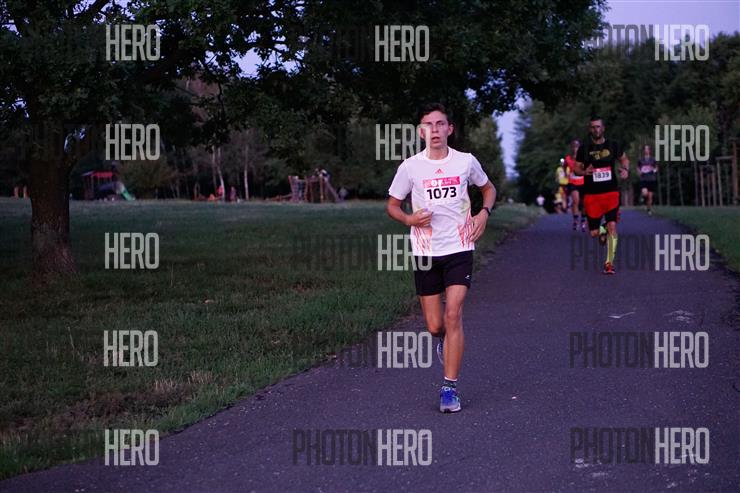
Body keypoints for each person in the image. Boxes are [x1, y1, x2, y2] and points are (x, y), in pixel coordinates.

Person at [386, 102, 496, 413]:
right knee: (435, 325)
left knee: (453, 314)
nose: (434, 130)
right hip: (426, 252)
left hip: (459, 247)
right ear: (421, 132)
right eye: (428, 125)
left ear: (449, 129)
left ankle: (449, 388)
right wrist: (409, 219)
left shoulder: (465, 161)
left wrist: (483, 214)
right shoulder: (410, 167)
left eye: (440, 124)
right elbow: (392, 205)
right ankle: (443, 341)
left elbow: (488, 189)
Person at [573, 116, 630, 275]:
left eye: (598, 126)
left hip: (611, 192)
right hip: (592, 195)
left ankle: (609, 264)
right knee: (594, 233)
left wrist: (625, 170)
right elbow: (576, 169)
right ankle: (602, 229)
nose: (596, 129)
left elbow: (624, 159)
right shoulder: (584, 148)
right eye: (593, 127)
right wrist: (584, 172)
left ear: (603, 128)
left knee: (613, 226)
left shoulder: (613, 145)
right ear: (589, 129)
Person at [565, 139, 586, 231]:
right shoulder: (568, 158)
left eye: (577, 146)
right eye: (573, 146)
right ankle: (576, 220)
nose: (575, 148)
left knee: (584, 203)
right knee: (575, 201)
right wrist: (566, 174)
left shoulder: (584, 157)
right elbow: (564, 166)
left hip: (584, 182)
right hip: (573, 182)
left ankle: (583, 220)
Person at [637, 145, 658, 215]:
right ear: (644, 151)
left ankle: (649, 209)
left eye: (647, 149)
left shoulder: (653, 159)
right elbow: (638, 167)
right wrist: (639, 172)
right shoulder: (640, 160)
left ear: (649, 150)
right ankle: (642, 197)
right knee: (645, 193)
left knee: (650, 197)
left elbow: (656, 167)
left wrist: (654, 170)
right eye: (645, 149)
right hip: (643, 179)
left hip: (651, 179)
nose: (646, 150)